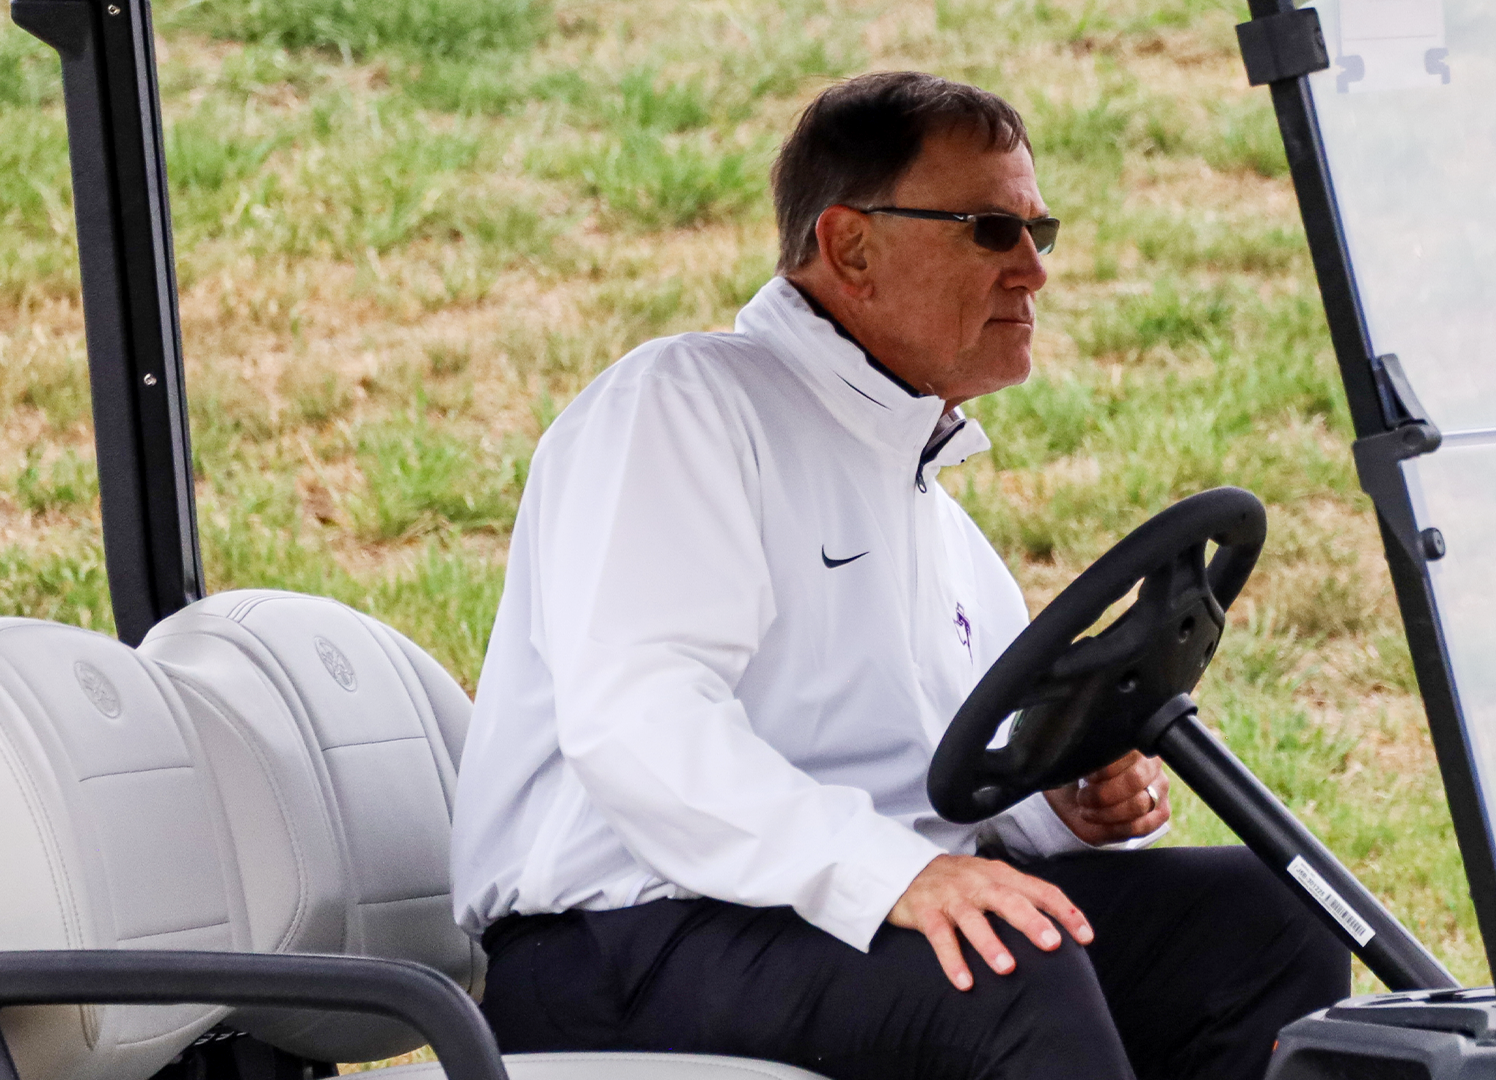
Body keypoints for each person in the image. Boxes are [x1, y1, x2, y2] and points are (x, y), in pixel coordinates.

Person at [449, 71, 1348, 1080]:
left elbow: (943, 783)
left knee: (1267, 922)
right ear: (851, 248)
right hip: (617, 949)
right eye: (990, 232)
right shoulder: (682, 407)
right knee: (1005, 963)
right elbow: (639, 726)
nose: (1033, 272)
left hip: (820, 925)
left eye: (1038, 234)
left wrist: (1060, 810)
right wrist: (892, 875)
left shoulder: (932, 512)